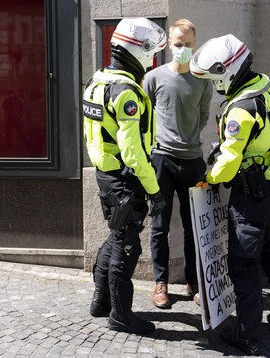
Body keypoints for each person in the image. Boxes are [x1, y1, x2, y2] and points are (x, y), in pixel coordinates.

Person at [190, 34, 270, 355]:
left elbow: (228, 161)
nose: (215, 87)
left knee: (243, 265)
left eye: (214, 80)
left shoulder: (241, 110)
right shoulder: (265, 86)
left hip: (252, 192)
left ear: (227, 72)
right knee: (268, 246)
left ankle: (248, 335)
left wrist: (207, 178)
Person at [83, 17, 167, 335]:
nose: (154, 58)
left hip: (106, 174)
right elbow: (134, 152)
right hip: (125, 177)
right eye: (152, 52)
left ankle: (100, 301)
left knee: (114, 237)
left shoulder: (98, 80)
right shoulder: (127, 92)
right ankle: (120, 315)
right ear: (138, 50)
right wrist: (154, 190)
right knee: (126, 245)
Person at [142, 19, 213, 309]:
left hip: (193, 161)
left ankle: (192, 282)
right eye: (178, 44)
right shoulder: (154, 78)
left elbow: (205, 116)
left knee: (192, 227)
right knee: (159, 226)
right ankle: (160, 283)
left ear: (194, 46)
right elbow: (144, 118)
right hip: (161, 160)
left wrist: (189, 136)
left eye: (187, 45)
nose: (182, 49)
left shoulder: (203, 81)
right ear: (169, 44)